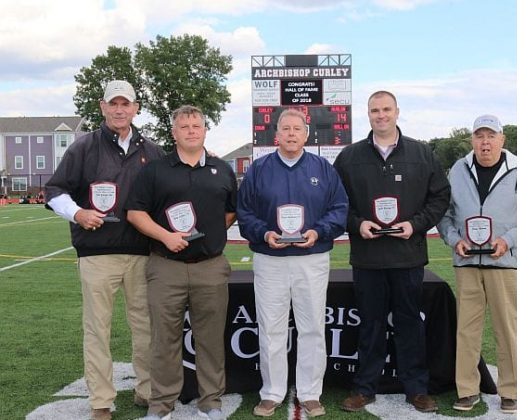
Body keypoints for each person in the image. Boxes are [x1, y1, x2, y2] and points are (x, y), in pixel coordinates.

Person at [44, 80, 163, 420]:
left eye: (126, 104)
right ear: (103, 107)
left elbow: (170, 188)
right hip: (96, 254)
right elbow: (54, 190)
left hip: (142, 254)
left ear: (136, 108)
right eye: (114, 104)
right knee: (98, 329)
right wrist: (78, 213)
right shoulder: (84, 147)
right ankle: (101, 401)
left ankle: (148, 390)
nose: (120, 109)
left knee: (146, 327)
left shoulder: (152, 151)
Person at [333, 91, 450, 413]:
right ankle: (364, 388)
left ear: (397, 112)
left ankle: (417, 389)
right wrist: (357, 225)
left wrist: (416, 224)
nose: (381, 115)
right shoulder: (349, 157)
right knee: (370, 324)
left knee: (409, 323)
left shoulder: (422, 153)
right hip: (368, 258)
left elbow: (440, 197)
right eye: (375, 110)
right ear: (367, 114)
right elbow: (335, 203)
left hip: (407, 255)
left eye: (386, 109)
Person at [125, 105, 237, 420]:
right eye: (184, 126)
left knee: (211, 339)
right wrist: (165, 236)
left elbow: (230, 212)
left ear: (205, 130)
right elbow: (135, 213)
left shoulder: (221, 169)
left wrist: (211, 235)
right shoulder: (155, 170)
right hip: (166, 265)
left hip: (210, 266)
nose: (191, 130)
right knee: (164, 340)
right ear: (174, 133)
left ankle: (210, 402)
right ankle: (161, 406)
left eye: (196, 125)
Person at [236, 108, 348, 418]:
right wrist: (264, 233)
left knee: (312, 326)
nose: (291, 134)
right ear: (276, 134)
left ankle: (311, 393)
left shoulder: (323, 168)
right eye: (285, 128)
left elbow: (339, 210)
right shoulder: (258, 169)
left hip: (311, 259)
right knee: (271, 328)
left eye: (296, 129)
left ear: (306, 133)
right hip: (270, 259)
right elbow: (244, 214)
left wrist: (318, 231)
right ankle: (271, 392)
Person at [437, 114, 517, 414]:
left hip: (505, 262)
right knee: (467, 330)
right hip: (467, 262)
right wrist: (453, 239)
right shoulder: (458, 169)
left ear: (502, 139)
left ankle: (510, 390)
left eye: (490, 136)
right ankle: (467, 389)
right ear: (472, 140)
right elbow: (444, 215)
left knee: (506, 329)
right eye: (479, 136)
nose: (485, 142)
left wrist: (508, 241)